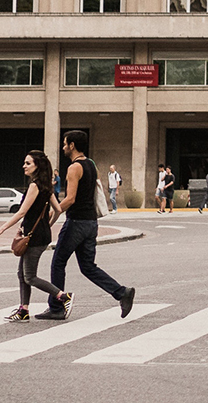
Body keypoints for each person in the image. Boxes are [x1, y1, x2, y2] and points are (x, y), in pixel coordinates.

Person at [39, 130, 135, 322]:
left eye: (65, 144)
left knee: (58, 262)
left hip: (76, 222)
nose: (64, 147)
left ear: (72, 145)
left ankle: (57, 307)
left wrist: (53, 212)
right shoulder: (91, 164)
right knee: (88, 266)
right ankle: (122, 292)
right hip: (91, 222)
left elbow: (71, 198)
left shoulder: (74, 168)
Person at [0, 151, 67, 322]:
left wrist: (1, 229)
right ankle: (23, 310)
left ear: (36, 166)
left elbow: (22, 212)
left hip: (35, 237)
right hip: (39, 234)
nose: (24, 166)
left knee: (30, 276)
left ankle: (63, 296)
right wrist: (48, 225)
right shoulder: (46, 186)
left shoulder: (35, 186)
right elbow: (58, 210)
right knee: (22, 274)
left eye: (28, 163)